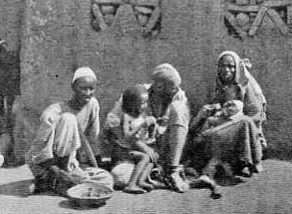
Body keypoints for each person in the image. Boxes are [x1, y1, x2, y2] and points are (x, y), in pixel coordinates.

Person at [25, 67, 113, 195]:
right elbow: (38, 153)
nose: (88, 93)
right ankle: (49, 179)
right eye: (83, 88)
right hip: (44, 164)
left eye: (91, 89)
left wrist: (96, 168)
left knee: (107, 180)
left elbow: (92, 140)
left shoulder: (93, 104)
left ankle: (50, 183)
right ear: (73, 87)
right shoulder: (52, 113)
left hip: (69, 164)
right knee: (68, 118)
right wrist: (61, 174)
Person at [189, 51, 266, 177]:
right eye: (223, 66)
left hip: (238, 130)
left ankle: (246, 161)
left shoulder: (243, 87)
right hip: (218, 126)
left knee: (245, 122)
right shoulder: (216, 87)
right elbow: (207, 114)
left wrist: (236, 121)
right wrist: (209, 111)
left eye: (231, 66)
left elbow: (256, 114)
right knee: (211, 132)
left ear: (237, 68)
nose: (226, 69)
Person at [103, 84, 158, 194]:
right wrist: (142, 125)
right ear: (132, 103)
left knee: (153, 157)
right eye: (142, 103)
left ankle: (141, 180)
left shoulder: (142, 115)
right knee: (145, 157)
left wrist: (153, 125)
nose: (145, 106)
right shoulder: (126, 116)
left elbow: (149, 136)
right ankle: (131, 184)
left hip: (135, 148)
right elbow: (127, 136)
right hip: (124, 150)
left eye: (146, 102)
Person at [147, 63, 191, 192]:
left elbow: (182, 128)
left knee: (179, 108)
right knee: (120, 177)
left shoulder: (178, 96)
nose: (177, 91)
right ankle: (157, 174)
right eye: (173, 89)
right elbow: (113, 121)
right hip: (143, 148)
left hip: (168, 146)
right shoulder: (139, 94)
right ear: (159, 86)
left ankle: (173, 170)